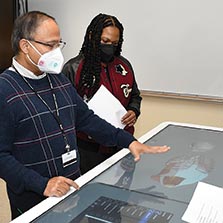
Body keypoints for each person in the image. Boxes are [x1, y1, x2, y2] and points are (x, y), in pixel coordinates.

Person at [0, 11, 170, 220]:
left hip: (70, 192)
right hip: (34, 201)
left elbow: (87, 120)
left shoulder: (59, 81)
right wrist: (43, 184)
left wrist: (128, 142)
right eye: (50, 45)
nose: (56, 52)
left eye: (58, 44)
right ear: (26, 46)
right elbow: (1, 156)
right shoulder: (4, 90)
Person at [62, 13, 142, 174]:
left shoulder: (124, 66)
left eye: (114, 43)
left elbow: (134, 95)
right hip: (89, 149)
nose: (109, 47)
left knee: (121, 193)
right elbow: (65, 112)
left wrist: (133, 111)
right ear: (92, 36)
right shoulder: (73, 68)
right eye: (105, 41)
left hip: (121, 144)